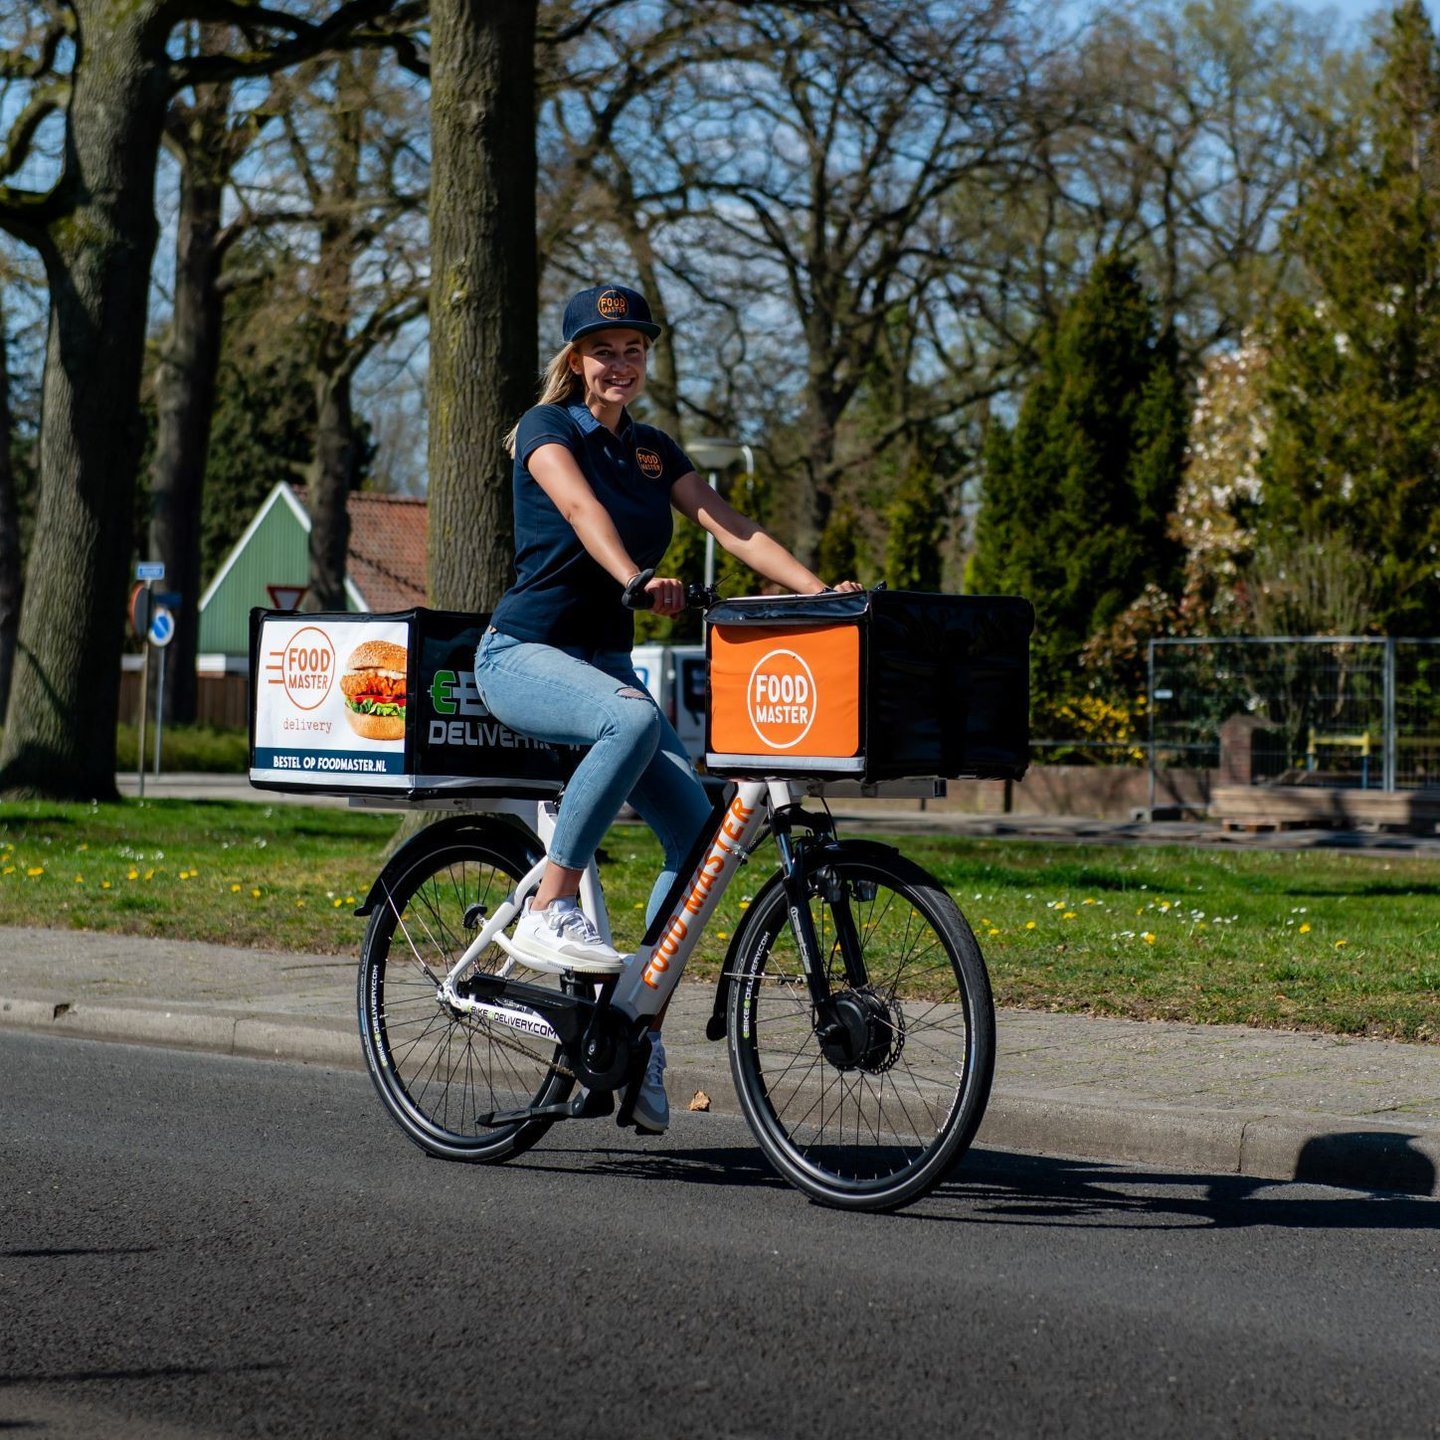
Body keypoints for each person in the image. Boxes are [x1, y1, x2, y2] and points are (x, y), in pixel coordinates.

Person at [475, 282, 859, 1135]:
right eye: (604, 350)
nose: (621, 364)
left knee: (702, 839)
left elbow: (729, 524)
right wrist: (635, 580)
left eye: (634, 350)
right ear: (575, 361)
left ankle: (631, 1024)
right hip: (524, 655)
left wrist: (822, 593)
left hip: (602, 665)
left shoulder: (653, 451)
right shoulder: (546, 431)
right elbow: (579, 511)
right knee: (634, 718)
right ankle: (550, 906)